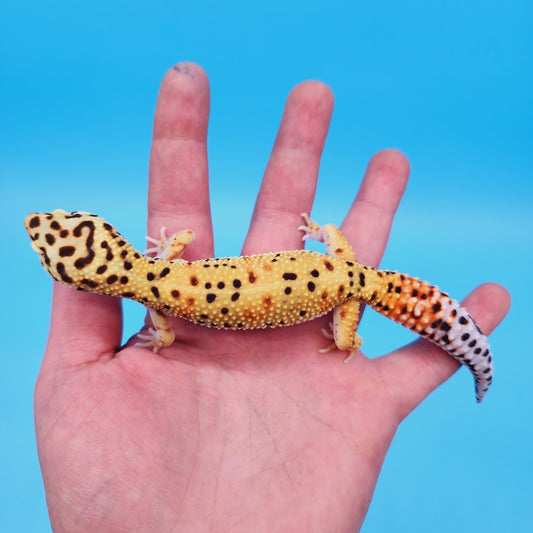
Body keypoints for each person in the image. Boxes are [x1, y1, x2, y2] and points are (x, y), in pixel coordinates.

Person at [35, 62, 510, 532]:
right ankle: (453, 345)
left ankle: (461, 350)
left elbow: (163, 332)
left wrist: (161, 342)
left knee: (347, 339)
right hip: (335, 265)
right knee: (355, 324)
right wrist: (323, 234)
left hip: (343, 288)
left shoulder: (158, 307)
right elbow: (177, 238)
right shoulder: (163, 263)